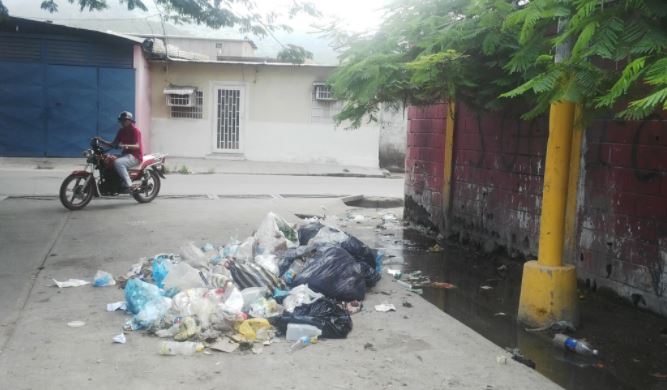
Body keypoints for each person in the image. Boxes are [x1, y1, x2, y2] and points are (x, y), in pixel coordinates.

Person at [97, 111, 143, 193]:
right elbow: (113, 144)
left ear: (129, 120)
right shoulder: (121, 131)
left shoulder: (135, 131)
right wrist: (101, 141)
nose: (122, 122)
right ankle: (113, 183)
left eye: (124, 120)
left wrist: (126, 146)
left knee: (118, 163)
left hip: (135, 156)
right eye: (121, 120)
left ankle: (130, 185)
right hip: (126, 155)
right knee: (107, 159)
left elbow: (137, 146)